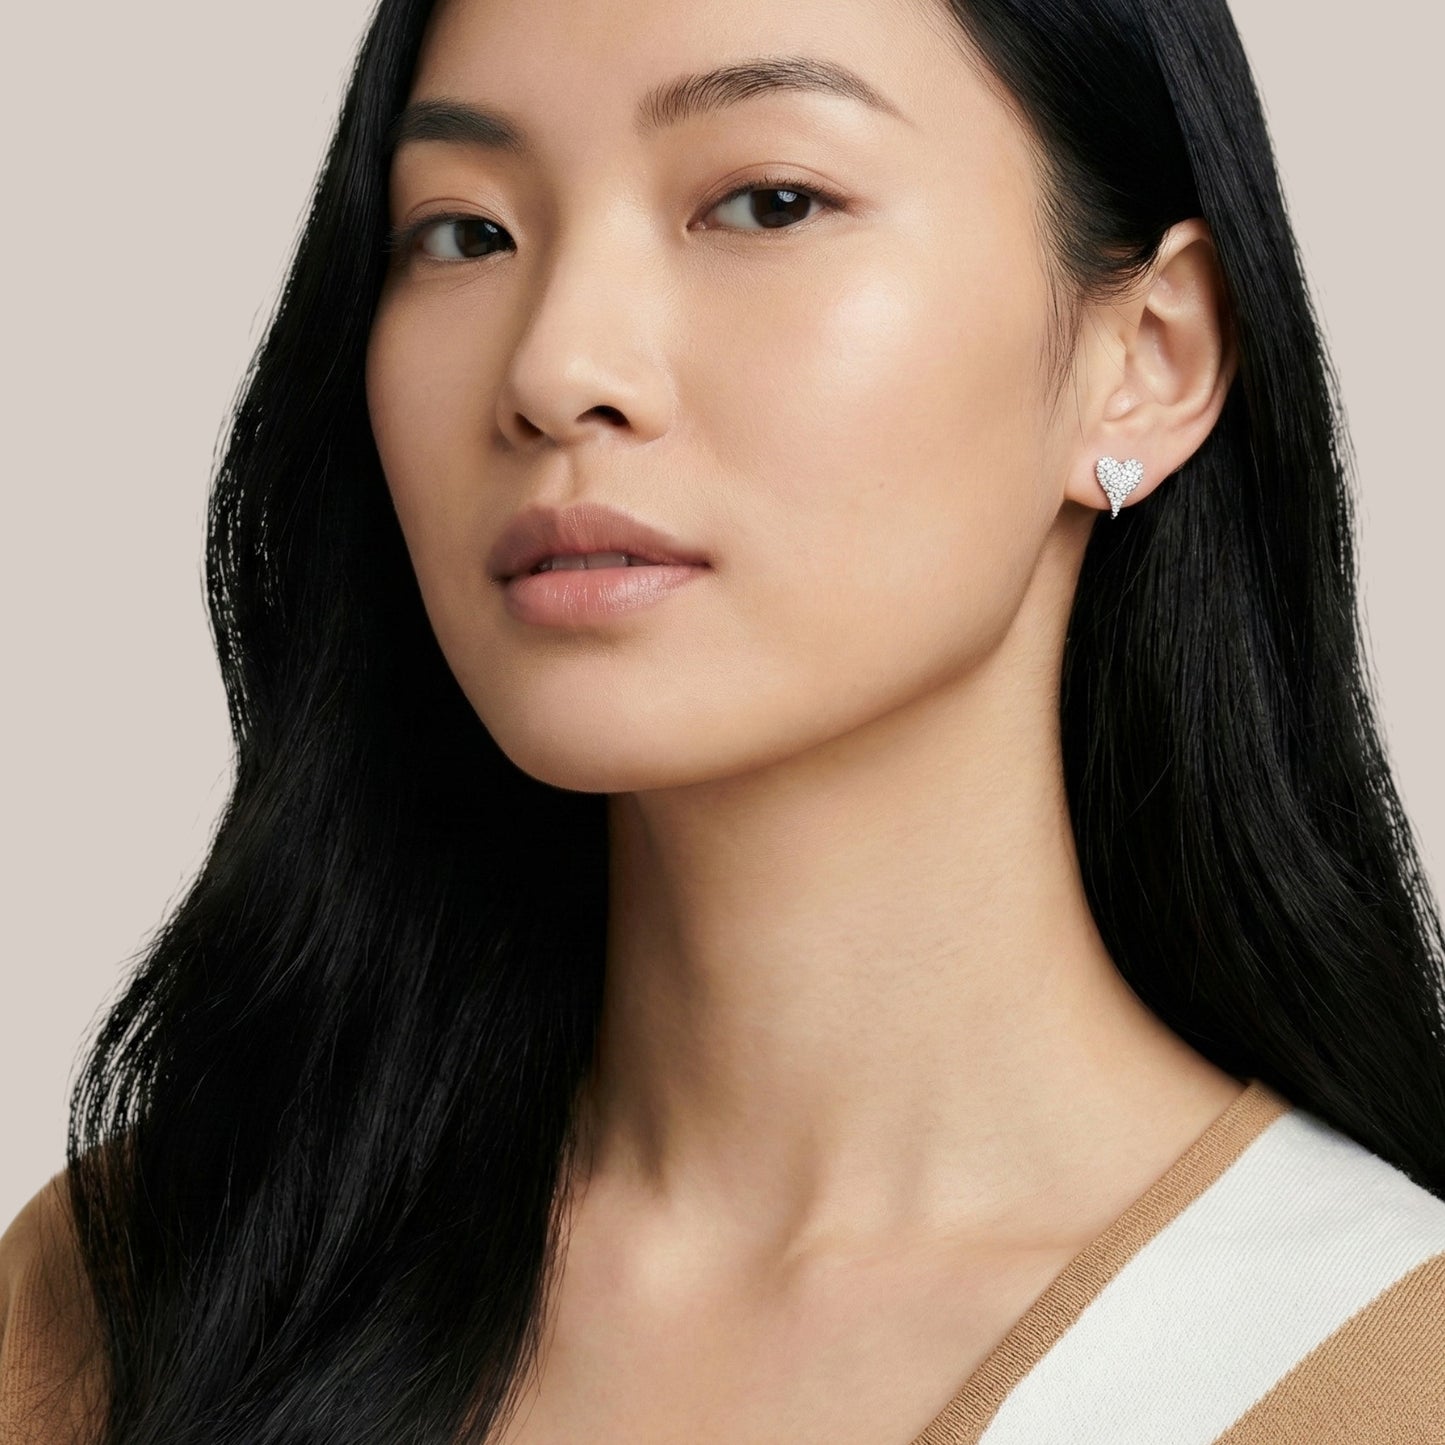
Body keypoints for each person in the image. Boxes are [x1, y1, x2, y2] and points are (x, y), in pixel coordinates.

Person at [3, 0, 1443, 1440]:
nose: (557, 367)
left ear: (1149, 355)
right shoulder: (139, 1284)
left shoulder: (1376, 1368)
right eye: (463, 232)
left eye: (765, 202)